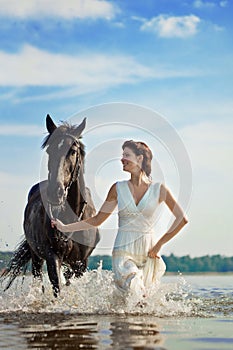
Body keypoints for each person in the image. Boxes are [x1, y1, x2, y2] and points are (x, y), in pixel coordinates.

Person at [51, 140, 188, 297]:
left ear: (140, 158)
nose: (122, 159)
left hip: (149, 251)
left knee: (139, 305)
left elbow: (181, 219)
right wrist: (65, 227)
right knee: (134, 284)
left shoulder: (159, 189)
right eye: (122, 155)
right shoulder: (117, 189)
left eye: (126, 155)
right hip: (123, 251)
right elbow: (97, 220)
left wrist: (159, 245)